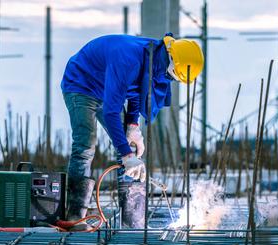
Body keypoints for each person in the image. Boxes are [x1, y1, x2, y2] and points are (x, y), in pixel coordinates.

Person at [60, 33, 204, 230]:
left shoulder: (154, 55)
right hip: (81, 84)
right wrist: (127, 155)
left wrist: (133, 126)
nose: (169, 80)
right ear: (171, 61)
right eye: (172, 76)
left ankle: (132, 223)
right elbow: (111, 112)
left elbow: (138, 90)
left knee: (128, 147)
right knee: (86, 145)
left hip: (109, 88)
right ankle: (74, 217)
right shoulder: (128, 60)